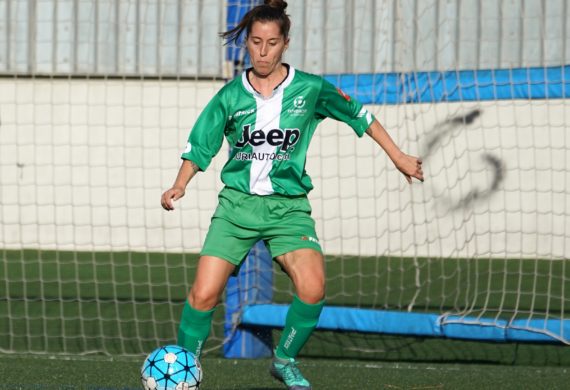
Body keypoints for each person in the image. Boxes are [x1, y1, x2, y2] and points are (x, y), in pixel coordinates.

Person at [160, 1, 424, 388]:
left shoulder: (310, 88)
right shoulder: (230, 95)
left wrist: (398, 155)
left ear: (286, 43)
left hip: (289, 209)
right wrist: (180, 183)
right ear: (245, 44)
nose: (262, 52)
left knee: (314, 287)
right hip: (237, 207)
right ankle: (183, 372)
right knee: (203, 295)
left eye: (271, 43)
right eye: (255, 42)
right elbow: (201, 144)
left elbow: (360, 115)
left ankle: (283, 359)